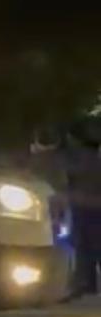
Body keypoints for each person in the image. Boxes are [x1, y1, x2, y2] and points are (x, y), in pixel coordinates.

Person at [65, 118, 101, 296]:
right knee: (89, 245)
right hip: (88, 207)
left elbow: (71, 179)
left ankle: (86, 283)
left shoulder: (82, 160)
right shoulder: (89, 159)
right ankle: (88, 283)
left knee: (85, 245)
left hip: (86, 207)